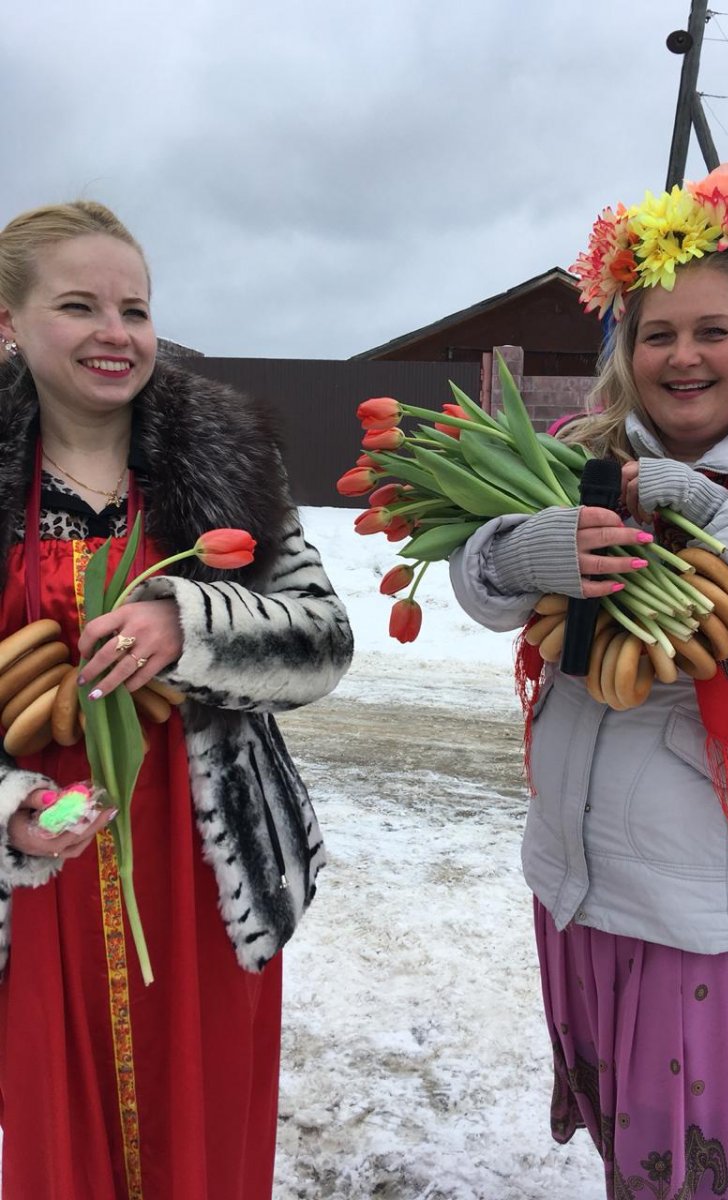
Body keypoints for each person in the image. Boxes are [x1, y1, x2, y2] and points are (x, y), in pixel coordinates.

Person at [449, 165, 728, 1198]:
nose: (683, 356)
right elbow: (477, 584)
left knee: (717, 1168)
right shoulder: (579, 456)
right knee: (639, 1149)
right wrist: (525, 553)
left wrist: (720, 506)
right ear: (625, 351)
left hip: (711, 913)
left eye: (713, 332)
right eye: (657, 334)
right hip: (576, 879)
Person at [0, 201, 353, 1199]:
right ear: (9, 322)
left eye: (135, 309)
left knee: (203, 1135)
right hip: (45, 871)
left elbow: (323, 642)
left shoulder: (227, 461)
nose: (117, 334)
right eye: (80, 306)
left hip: (207, 870)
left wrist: (188, 627)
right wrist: (11, 810)